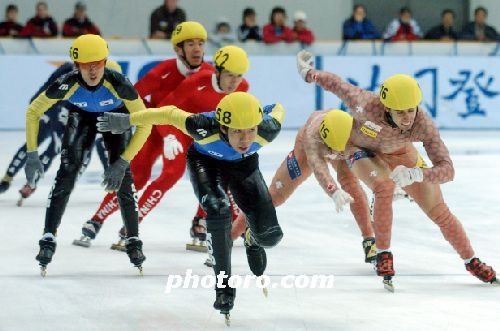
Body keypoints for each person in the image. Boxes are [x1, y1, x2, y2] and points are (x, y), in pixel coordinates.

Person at [296, 50, 498, 288]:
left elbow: (448, 170)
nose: (407, 118)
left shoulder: (423, 124)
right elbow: (335, 84)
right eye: (400, 111)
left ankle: (471, 260)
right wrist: (308, 73)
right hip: (359, 149)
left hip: (401, 153)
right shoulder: (364, 104)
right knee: (383, 187)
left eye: (411, 110)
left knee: (439, 211)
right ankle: (383, 254)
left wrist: (417, 174)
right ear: (386, 107)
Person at [97, 91, 285, 322]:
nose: (245, 139)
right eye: (237, 131)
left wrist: (261, 110)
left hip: (244, 167)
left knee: (271, 237)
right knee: (217, 210)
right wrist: (127, 120)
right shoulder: (202, 125)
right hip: (206, 163)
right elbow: (167, 113)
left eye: (251, 130)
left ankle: (252, 238)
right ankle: (224, 287)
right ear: (223, 127)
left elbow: (277, 106)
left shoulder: (268, 129)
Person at [76, 22, 212, 249]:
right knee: (138, 177)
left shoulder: (209, 74)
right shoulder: (162, 72)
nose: (197, 48)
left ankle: (200, 220)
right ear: (179, 49)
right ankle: (97, 218)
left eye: (200, 43)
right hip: (157, 129)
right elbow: (131, 96)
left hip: (187, 131)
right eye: (191, 43)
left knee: (202, 174)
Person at [25, 34, 152, 276]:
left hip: (115, 117)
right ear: (76, 65)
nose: (93, 70)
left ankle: (133, 239)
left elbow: (145, 122)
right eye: (86, 64)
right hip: (81, 116)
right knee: (67, 172)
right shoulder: (67, 82)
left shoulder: (119, 82)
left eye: (98, 63)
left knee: (123, 178)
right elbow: (33, 111)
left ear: (105, 61)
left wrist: (123, 162)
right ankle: (48, 236)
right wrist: (32, 153)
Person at [230, 109, 377, 263]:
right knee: (275, 195)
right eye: (333, 150)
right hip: (306, 151)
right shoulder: (312, 139)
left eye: (341, 150)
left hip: (341, 140)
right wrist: (333, 191)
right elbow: (319, 168)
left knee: (351, 185)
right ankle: (229, 237)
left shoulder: (359, 131)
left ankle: (369, 240)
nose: (336, 153)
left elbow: (387, 144)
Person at [0, 61, 120, 204]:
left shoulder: (97, 84)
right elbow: (47, 87)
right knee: (38, 145)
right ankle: (9, 178)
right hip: (53, 111)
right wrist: (37, 107)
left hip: (65, 115)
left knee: (56, 149)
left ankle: (30, 182)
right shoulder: (70, 71)